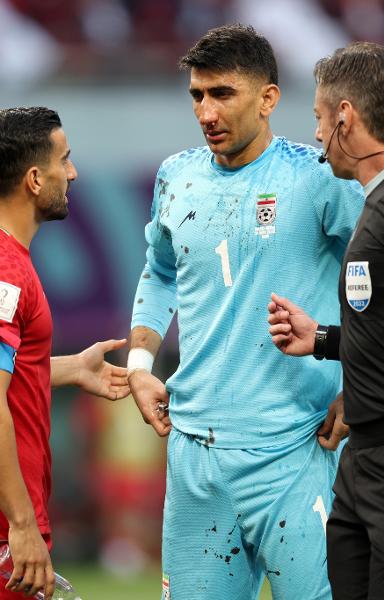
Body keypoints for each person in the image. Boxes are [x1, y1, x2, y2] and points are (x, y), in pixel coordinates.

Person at [127, 24, 364, 600]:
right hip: (195, 457)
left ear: (268, 98)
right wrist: (139, 363)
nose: (206, 111)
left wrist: (358, 383)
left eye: (223, 93)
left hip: (296, 450)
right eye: (197, 95)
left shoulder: (318, 179)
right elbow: (159, 272)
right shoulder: (176, 177)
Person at [268, 41, 384, 599]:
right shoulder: (381, 200)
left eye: (320, 119)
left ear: (345, 116)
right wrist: (321, 340)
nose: (318, 135)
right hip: (366, 464)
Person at [0, 106, 130, 600]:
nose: (72, 172)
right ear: (35, 178)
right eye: (64, 160)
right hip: (6, 527)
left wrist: (71, 367)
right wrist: (22, 523)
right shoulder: (7, 273)